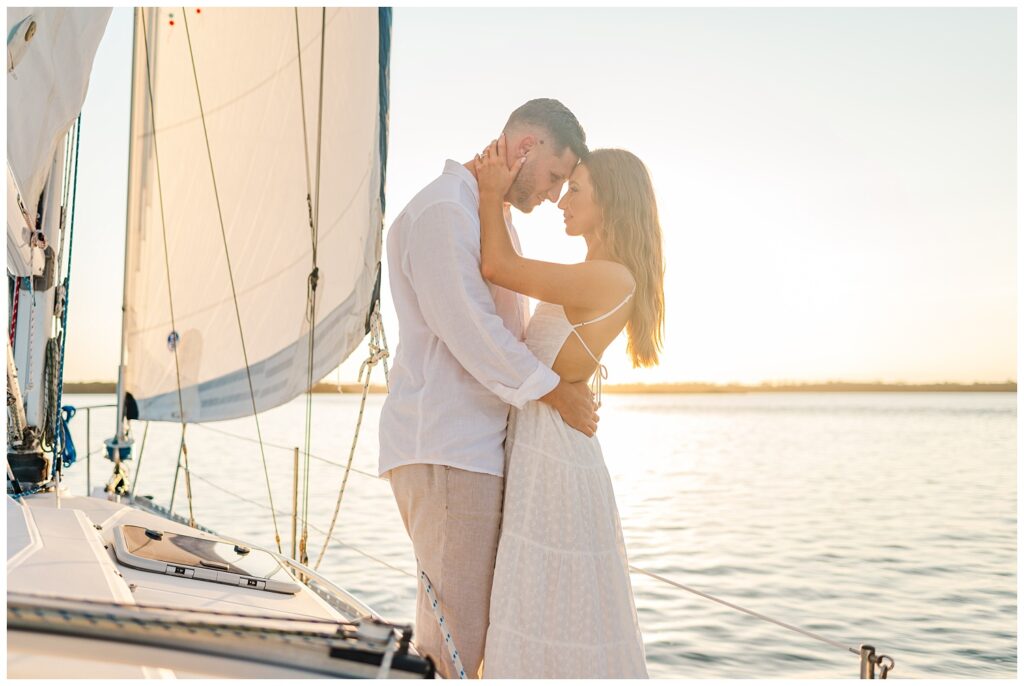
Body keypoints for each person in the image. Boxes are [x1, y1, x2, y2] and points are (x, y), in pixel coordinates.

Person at [378, 99, 597, 679]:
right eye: (554, 177)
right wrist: (555, 390)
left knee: (459, 637)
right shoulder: (445, 213)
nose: (553, 196)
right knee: (455, 645)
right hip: (450, 450)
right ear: (525, 147)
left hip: (470, 451)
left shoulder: (483, 218)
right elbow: (471, 328)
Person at [474, 136, 664, 678]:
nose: (563, 200)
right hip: (548, 446)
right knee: (540, 602)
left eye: (575, 189)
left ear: (611, 203)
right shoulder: (599, 274)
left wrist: (492, 194)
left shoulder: (610, 278)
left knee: (542, 601)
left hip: (555, 457)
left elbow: (496, 265)